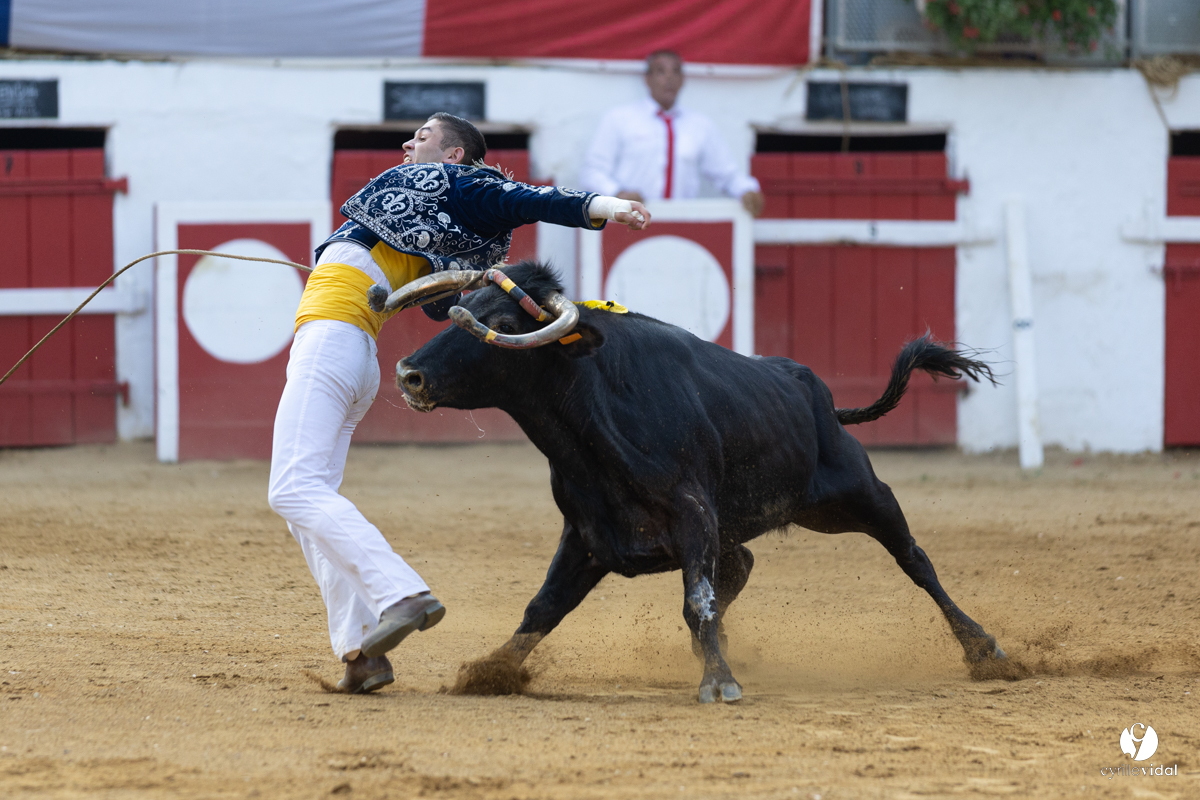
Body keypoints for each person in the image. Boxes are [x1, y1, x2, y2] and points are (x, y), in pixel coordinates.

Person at [267, 112, 650, 694]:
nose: (406, 142)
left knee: (292, 491)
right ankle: (360, 650)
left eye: (421, 136)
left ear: (453, 158)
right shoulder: (429, 223)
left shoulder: (462, 184)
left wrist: (605, 205)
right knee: (308, 504)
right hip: (350, 354)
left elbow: (531, 197)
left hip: (331, 340)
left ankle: (401, 592)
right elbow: (434, 305)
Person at [579, 50, 764, 217]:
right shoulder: (619, 119)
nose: (669, 78)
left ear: (683, 80)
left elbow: (726, 173)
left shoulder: (700, 125)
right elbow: (592, 172)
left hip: (680, 223)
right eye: (661, 71)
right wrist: (618, 193)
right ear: (647, 79)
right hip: (630, 220)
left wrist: (746, 190)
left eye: (676, 72)